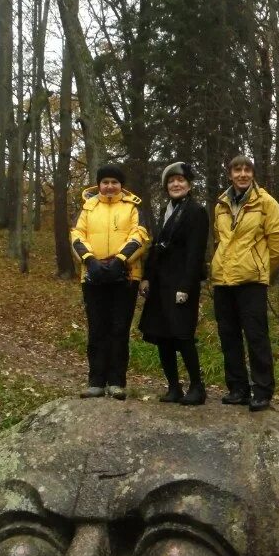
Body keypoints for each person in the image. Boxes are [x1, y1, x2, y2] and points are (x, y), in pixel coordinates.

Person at [211, 154, 279, 412]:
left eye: (246, 170)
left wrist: (261, 267)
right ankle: (237, 388)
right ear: (230, 173)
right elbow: (219, 240)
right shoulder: (221, 204)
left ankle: (262, 391)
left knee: (256, 337)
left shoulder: (266, 203)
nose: (242, 174)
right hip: (223, 280)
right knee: (228, 336)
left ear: (253, 174)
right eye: (237, 170)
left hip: (252, 281)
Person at [70, 164, 149, 400]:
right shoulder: (88, 207)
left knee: (118, 329)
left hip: (124, 276)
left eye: (115, 182)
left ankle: (116, 382)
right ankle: (95, 380)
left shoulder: (133, 206)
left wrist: (121, 260)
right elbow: (76, 235)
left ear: (121, 185)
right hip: (93, 275)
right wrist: (90, 260)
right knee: (97, 328)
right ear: (99, 184)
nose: (110, 186)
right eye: (105, 182)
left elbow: (141, 234)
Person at [139, 161, 209, 405]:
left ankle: (197, 388)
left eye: (181, 180)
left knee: (182, 336)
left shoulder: (196, 212)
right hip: (160, 284)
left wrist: (186, 287)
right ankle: (173, 387)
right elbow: (156, 248)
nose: (176, 184)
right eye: (171, 181)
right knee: (161, 334)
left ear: (189, 185)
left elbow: (195, 254)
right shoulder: (165, 211)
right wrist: (146, 276)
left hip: (180, 284)